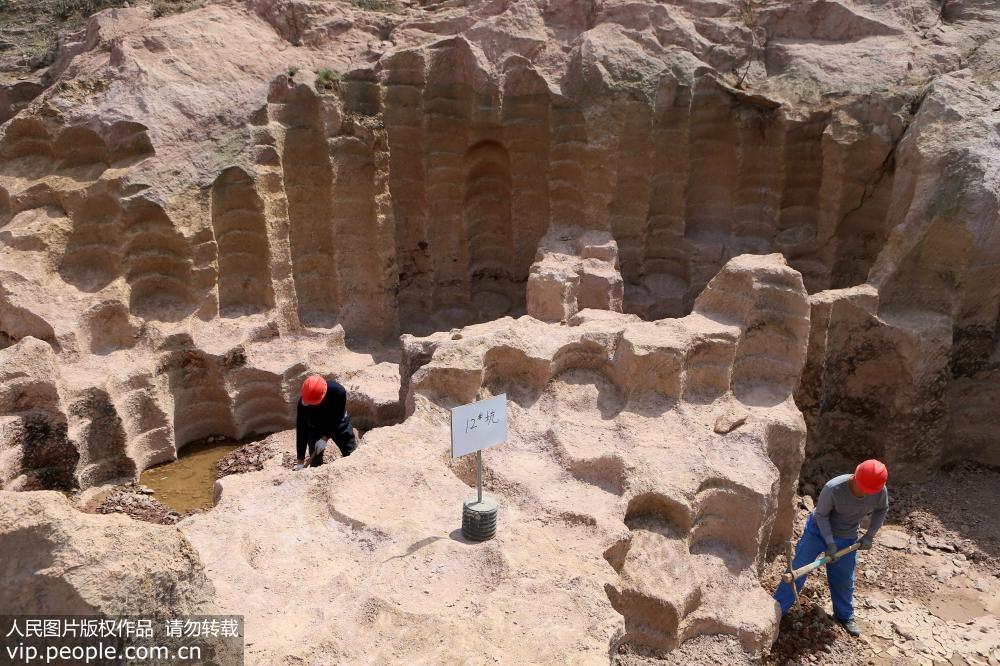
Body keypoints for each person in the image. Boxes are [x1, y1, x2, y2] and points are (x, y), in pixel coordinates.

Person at [773, 459, 889, 637]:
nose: (866, 493)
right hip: (818, 531)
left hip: (846, 535)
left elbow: (882, 509)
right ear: (856, 477)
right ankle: (777, 612)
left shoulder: (878, 490)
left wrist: (870, 535)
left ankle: (845, 615)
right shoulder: (834, 488)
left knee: (844, 579)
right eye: (864, 487)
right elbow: (821, 515)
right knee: (798, 570)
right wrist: (829, 542)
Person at [295, 374, 356, 470]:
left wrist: (325, 438)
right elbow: (301, 430)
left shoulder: (338, 392)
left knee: (351, 453)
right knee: (315, 461)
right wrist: (300, 461)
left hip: (338, 422)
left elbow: (337, 417)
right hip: (316, 426)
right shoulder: (304, 403)